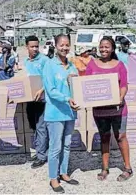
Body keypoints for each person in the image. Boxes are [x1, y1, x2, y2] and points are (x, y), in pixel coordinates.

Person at [85, 37, 133, 182]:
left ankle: (128, 168)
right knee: (104, 137)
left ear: (112, 49)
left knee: (121, 137)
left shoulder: (119, 65)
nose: (104, 49)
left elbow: (124, 85)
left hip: (118, 108)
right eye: (101, 47)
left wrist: (120, 97)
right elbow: (86, 85)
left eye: (107, 47)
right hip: (100, 110)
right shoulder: (92, 65)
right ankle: (105, 168)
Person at [43, 34, 80, 193]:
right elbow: (51, 91)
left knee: (66, 145)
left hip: (70, 114)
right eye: (61, 45)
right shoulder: (49, 65)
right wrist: (67, 98)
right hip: (55, 113)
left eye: (67, 45)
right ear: (55, 46)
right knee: (55, 147)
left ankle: (64, 173)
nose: (64, 48)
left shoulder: (72, 66)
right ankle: (53, 178)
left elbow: (78, 89)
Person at [24, 35, 49, 169]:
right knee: (34, 126)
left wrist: (42, 89)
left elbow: (49, 79)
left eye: (36, 46)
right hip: (29, 99)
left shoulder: (45, 60)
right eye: (31, 46)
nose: (34, 49)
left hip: (42, 99)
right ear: (26, 47)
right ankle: (41, 149)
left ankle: (41, 156)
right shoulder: (25, 61)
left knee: (41, 127)